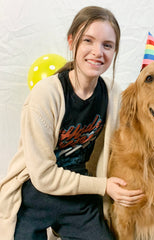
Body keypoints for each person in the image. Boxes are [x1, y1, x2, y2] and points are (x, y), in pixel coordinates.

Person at [0, 6, 144, 240]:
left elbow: (132, 134)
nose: (98, 52)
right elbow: (44, 176)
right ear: (71, 41)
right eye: (88, 40)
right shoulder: (45, 95)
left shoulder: (112, 93)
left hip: (79, 193)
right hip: (34, 194)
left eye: (107, 45)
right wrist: (103, 186)